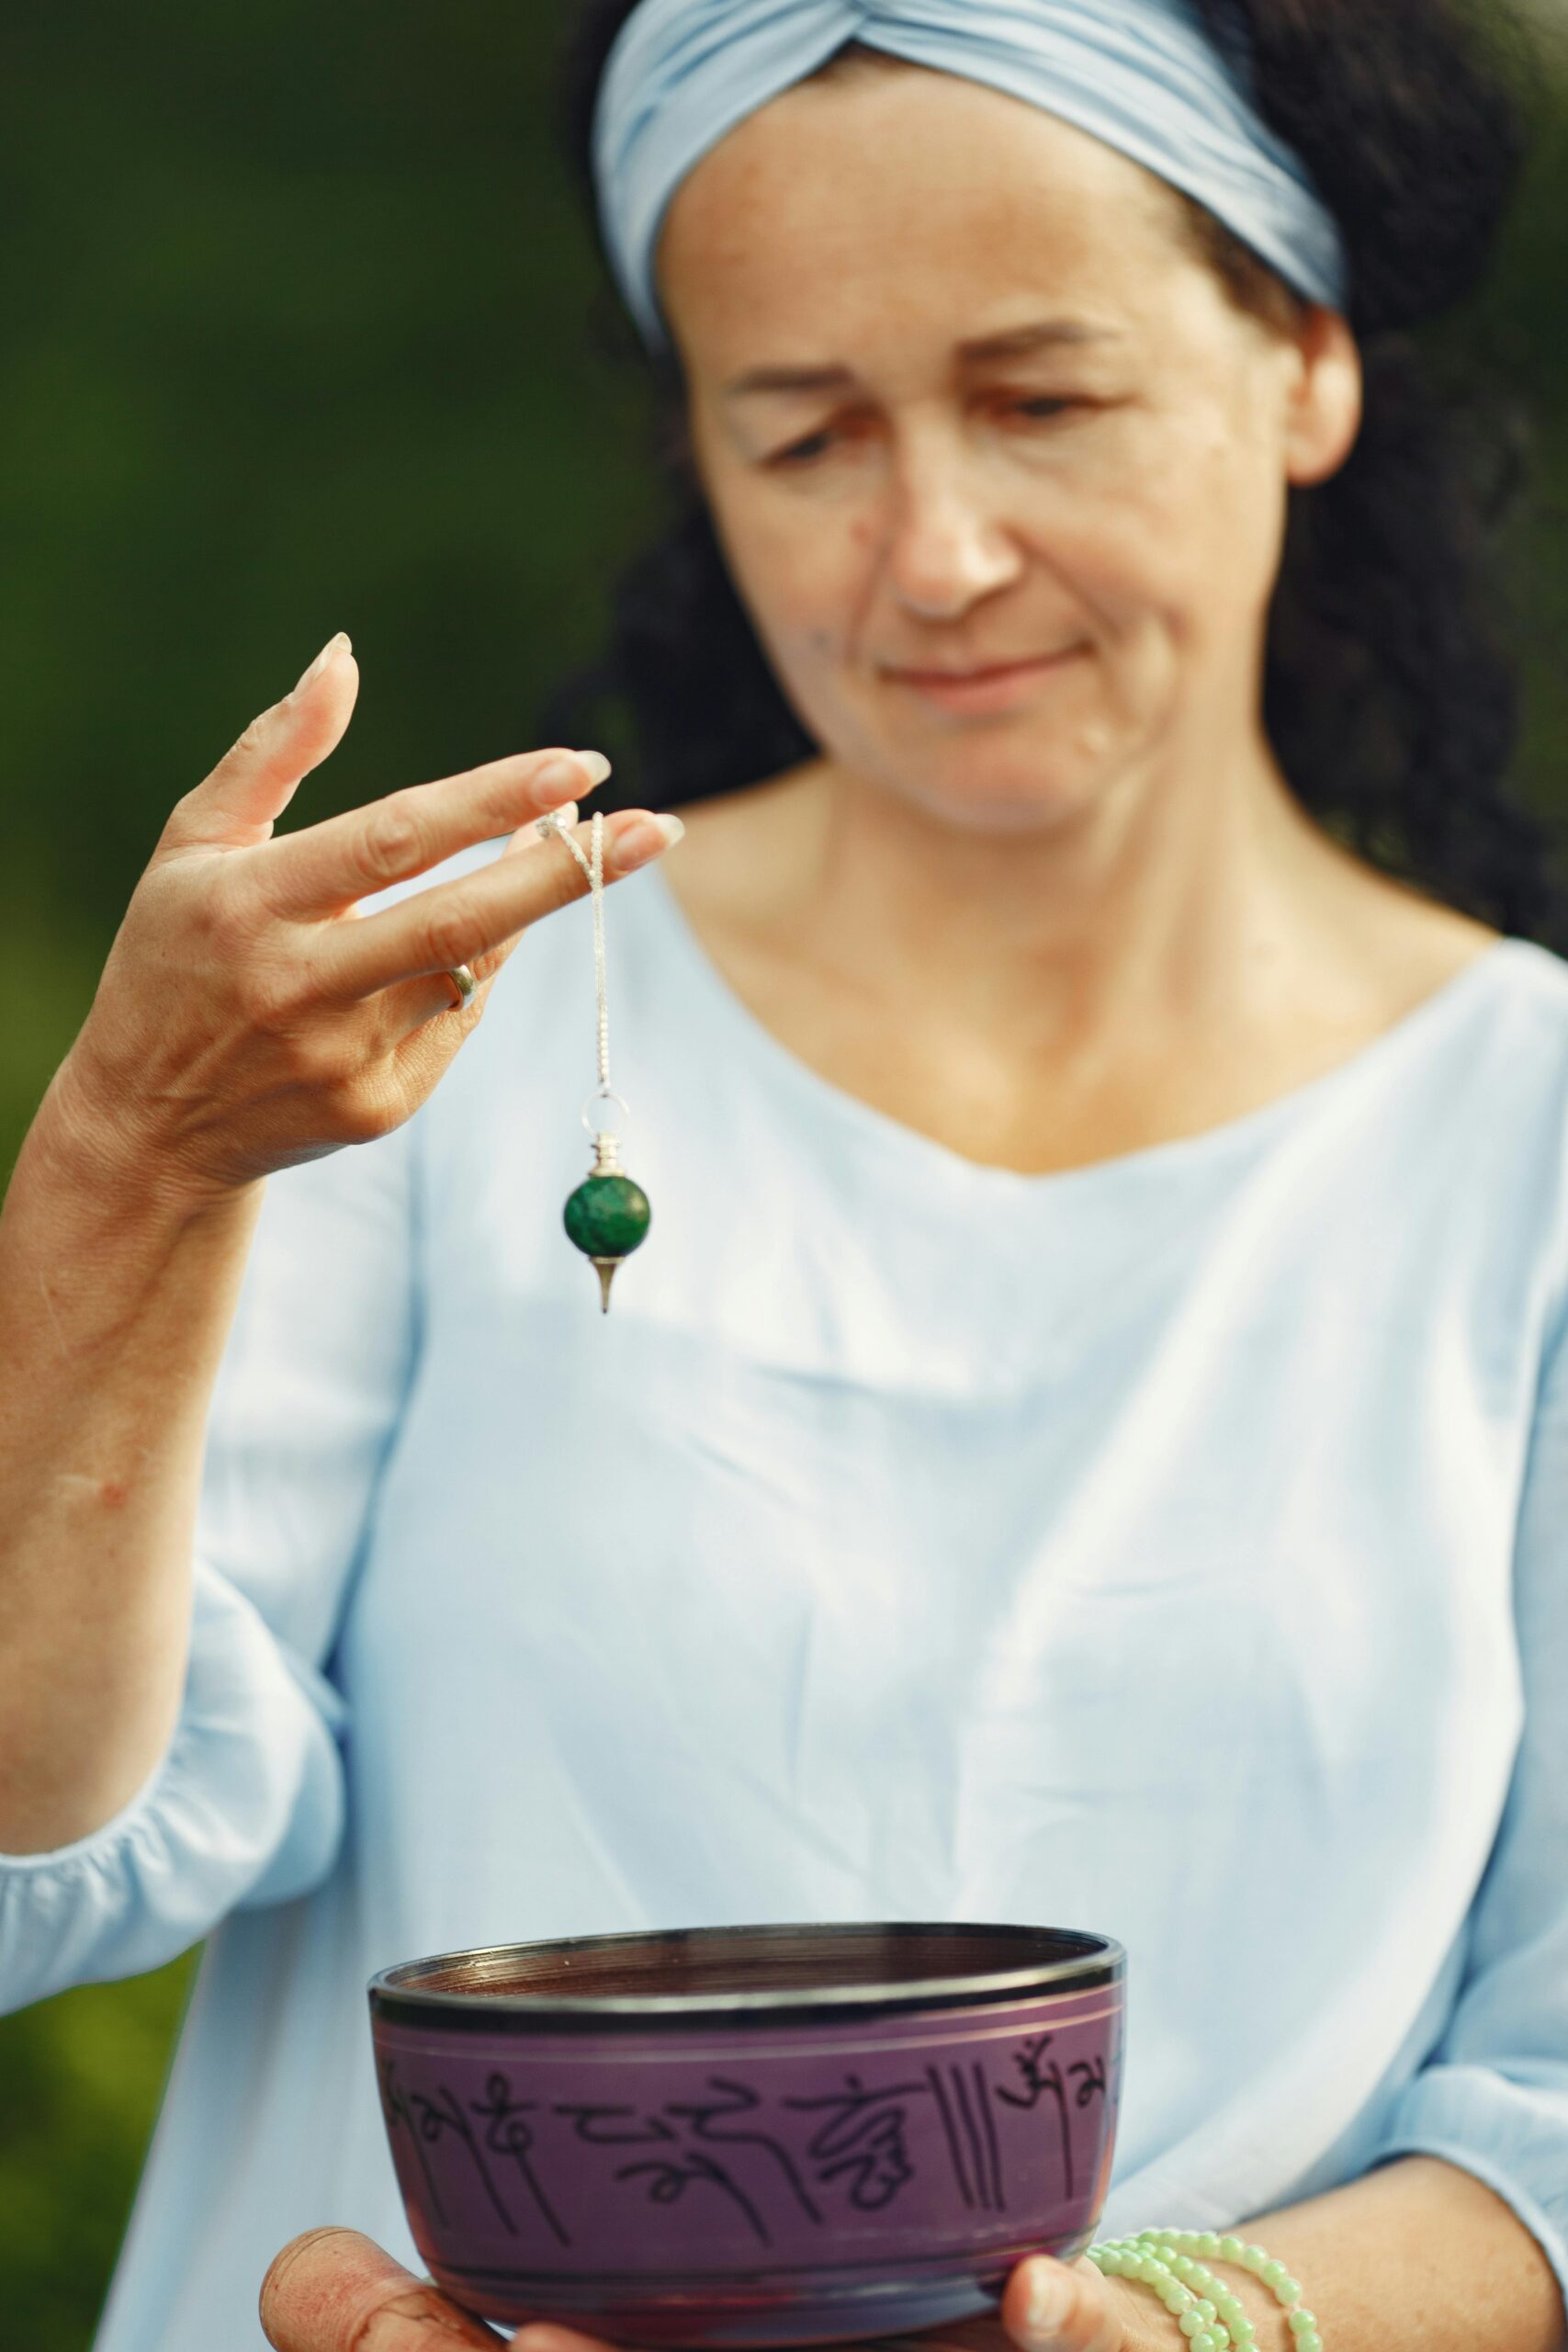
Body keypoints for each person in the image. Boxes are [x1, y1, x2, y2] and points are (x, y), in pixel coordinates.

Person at [2, 2, 1566, 2350]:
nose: (930, 553)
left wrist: (1165, 2327)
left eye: (1043, 398)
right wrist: (125, 1176)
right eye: (804, 429)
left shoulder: (1523, 1134)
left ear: (1303, 363)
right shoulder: (427, 1042)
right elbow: (56, 1857)